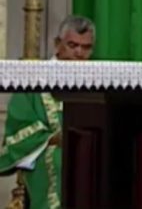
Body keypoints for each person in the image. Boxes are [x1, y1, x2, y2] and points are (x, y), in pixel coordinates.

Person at [0, 16, 95, 209]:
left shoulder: (97, 80)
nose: (79, 53)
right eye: (72, 45)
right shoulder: (35, 79)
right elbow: (19, 128)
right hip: (49, 154)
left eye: (86, 48)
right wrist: (52, 138)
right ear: (57, 44)